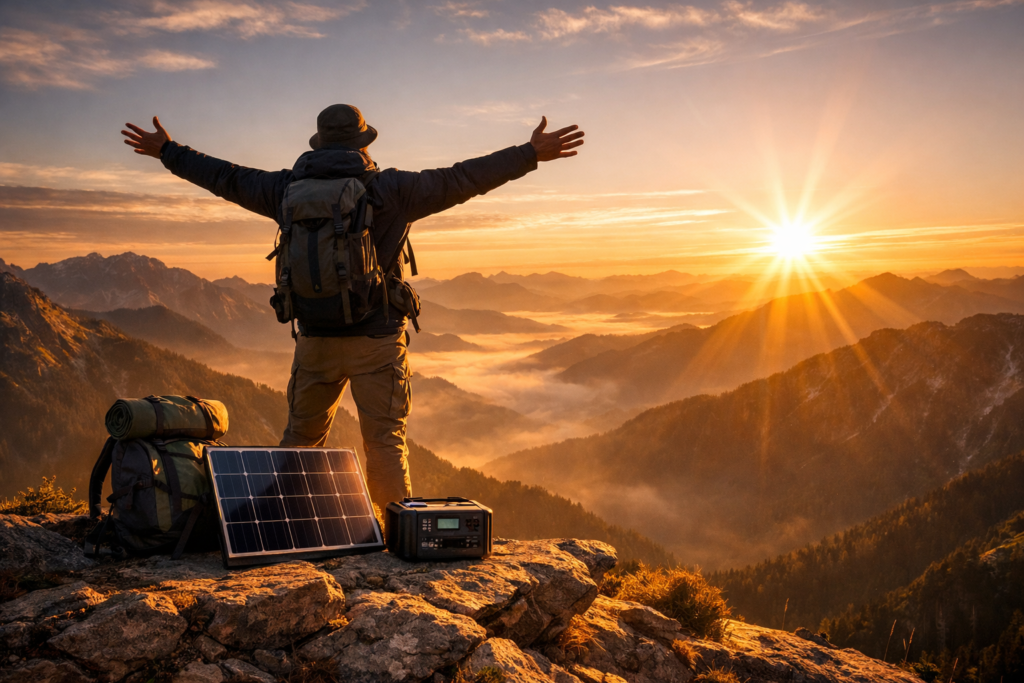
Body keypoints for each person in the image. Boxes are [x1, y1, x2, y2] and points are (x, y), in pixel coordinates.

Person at [121, 104, 584, 508]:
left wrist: (168, 150)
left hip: (316, 341)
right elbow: (464, 178)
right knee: (383, 442)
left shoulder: (284, 190)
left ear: (318, 144)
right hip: (377, 342)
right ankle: (393, 535)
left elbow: (223, 177)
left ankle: (285, 524)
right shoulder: (393, 190)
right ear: (363, 144)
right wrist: (529, 154)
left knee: (302, 438)